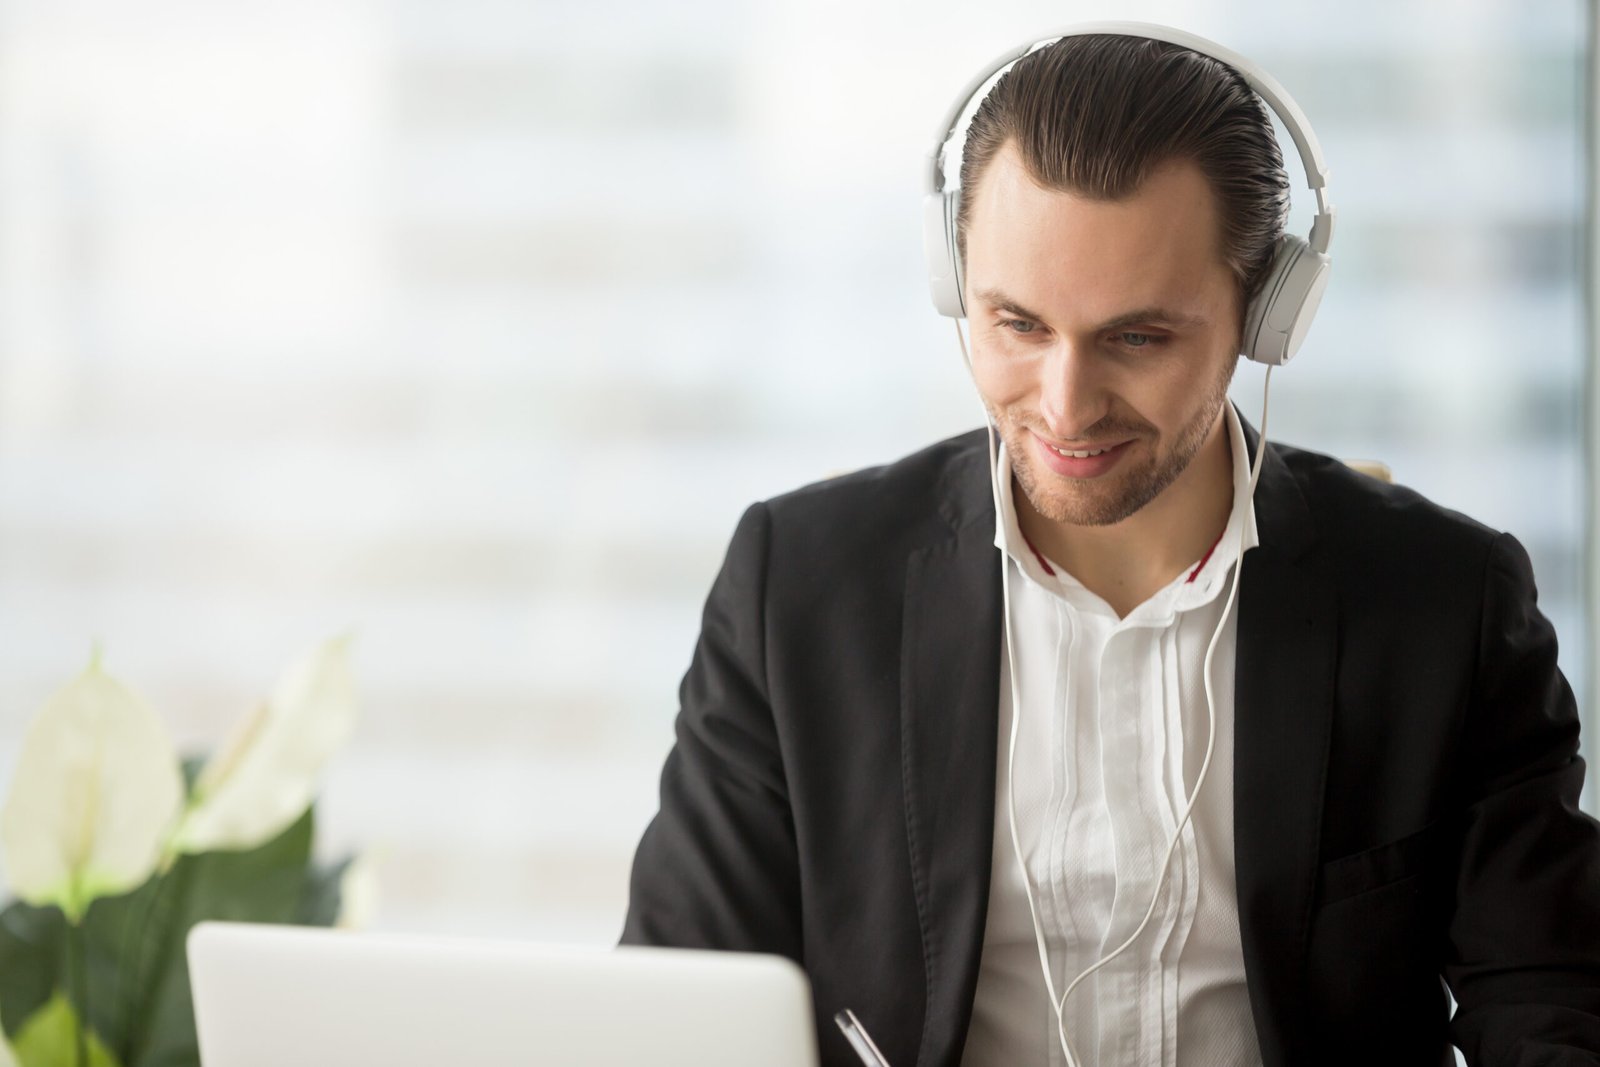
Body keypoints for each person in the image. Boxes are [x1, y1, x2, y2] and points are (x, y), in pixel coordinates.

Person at [619, 24, 1600, 1067]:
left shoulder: (1444, 601)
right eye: (1017, 323)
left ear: (1267, 312)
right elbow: (686, 1004)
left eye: (1136, 336)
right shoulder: (798, 587)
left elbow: (1550, 999)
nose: (1065, 405)